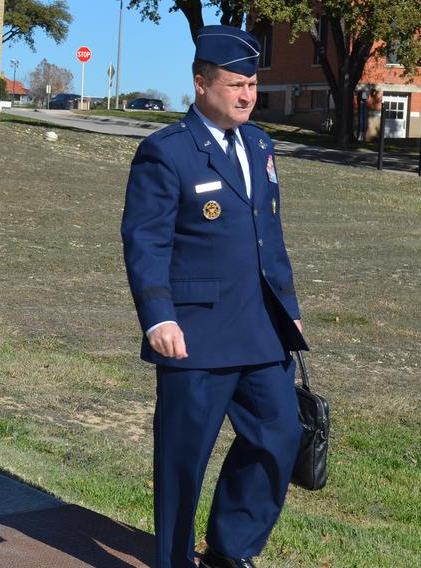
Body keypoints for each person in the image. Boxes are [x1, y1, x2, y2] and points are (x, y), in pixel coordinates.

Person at [120, 25, 309, 568]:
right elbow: (145, 242)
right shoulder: (167, 152)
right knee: (183, 460)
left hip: (261, 330)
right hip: (194, 335)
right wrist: (158, 317)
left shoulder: (260, 143)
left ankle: (231, 549)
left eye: (251, 83)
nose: (247, 94)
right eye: (234, 84)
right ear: (200, 84)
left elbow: (267, 238)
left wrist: (288, 314)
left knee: (278, 437)